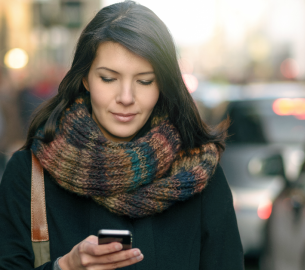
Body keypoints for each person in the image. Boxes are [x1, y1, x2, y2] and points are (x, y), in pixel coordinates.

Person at [0, 1, 244, 269]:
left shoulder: (199, 174)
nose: (126, 98)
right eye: (108, 78)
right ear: (85, 78)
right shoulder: (29, 175)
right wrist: (65, 267)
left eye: (144, 81)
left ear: (162, 84)